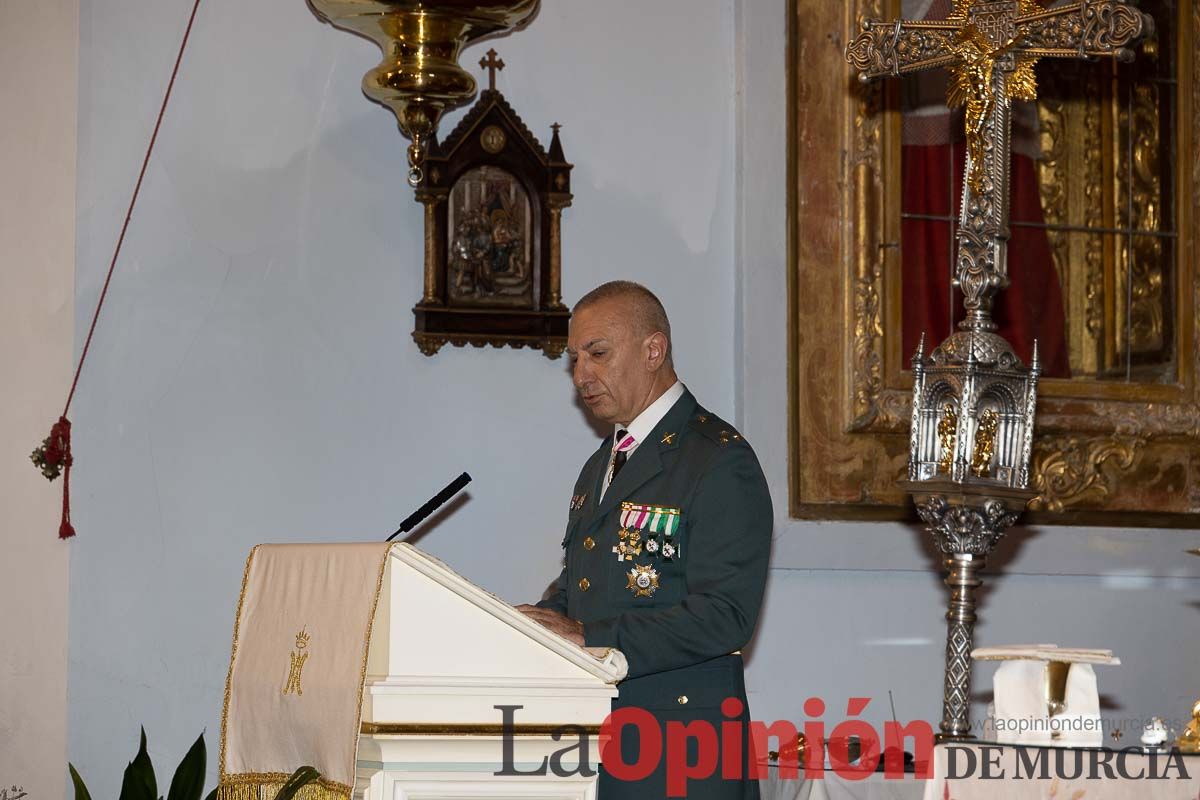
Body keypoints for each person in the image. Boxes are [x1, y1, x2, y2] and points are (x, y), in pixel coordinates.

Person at [517, 281, 773, 799]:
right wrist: (530, 625)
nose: (581, 375)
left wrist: (589, 635)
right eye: (574, 359)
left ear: (653, 350)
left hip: (682, 749)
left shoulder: (718, 460)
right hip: (601, 738)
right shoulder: (602, 465)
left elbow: (727, 615)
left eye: (598, 354)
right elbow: (585, 583)